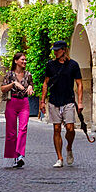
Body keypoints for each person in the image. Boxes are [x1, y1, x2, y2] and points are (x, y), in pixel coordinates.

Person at [40, 40, 83, 168]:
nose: (55, 52)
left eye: (58, 50)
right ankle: (59, 158)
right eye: (54, 50)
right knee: (56, 129)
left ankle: (69, 147)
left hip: (68, 100)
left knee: (70, 128)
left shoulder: (73, 65)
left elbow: (79, 84)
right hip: (54, 101)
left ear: (64, 50)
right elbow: (45, 83)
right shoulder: (50, 65)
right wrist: (43, 101)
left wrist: (80, 102)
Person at [1, 51, 34, 168]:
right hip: (12, 102)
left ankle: (20, 155)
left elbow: (31, 86)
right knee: (11, 132)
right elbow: (3, 89)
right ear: (16, 61)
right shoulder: (9, 75)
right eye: (22, 60)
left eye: (25, 60)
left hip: (24, 103)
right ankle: (14, 156)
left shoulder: (28, 74)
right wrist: (13, 84)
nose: (24, 62)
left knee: (23, 128)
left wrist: (30, 87)